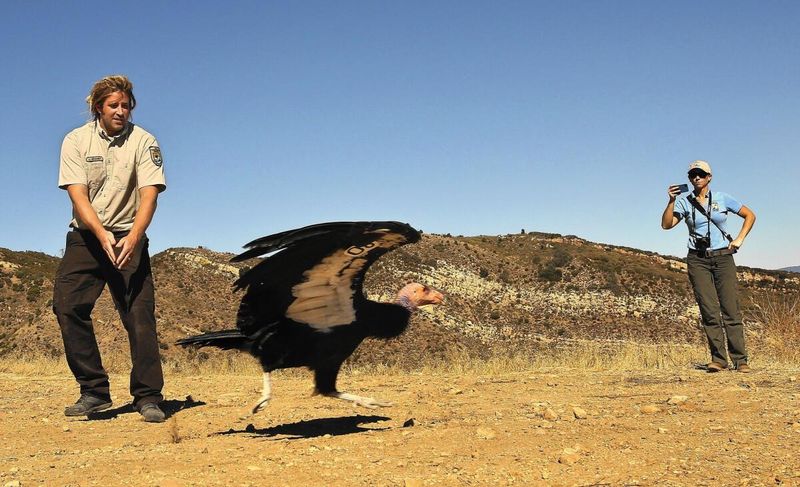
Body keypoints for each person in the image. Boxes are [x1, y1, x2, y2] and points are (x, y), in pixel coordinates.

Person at [53, 75, 167, 422]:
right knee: (67, 306)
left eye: (126, 105)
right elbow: (78, 194)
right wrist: (101, 234)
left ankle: (148, 397)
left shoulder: (144, 141)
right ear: (98, 107)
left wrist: (134, 236)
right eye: (113, 105)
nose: (121, 111)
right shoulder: (75, 141)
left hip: (129, 235)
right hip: (87, 238)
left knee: (139, 317)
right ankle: (93, 391)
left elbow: (150, 193)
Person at [661, 160, 756, 373]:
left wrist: (739, 239)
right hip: (698, 259)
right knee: (709, 310)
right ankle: (719, 359)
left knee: (730, 308)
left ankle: (740, 361)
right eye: (693, 175)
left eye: (701, 174)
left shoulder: (723, 198)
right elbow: (666, 225)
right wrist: (670, 201)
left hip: (723, 258)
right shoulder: (685, 202)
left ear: (709, 177)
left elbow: (750, 215)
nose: (696, 178)